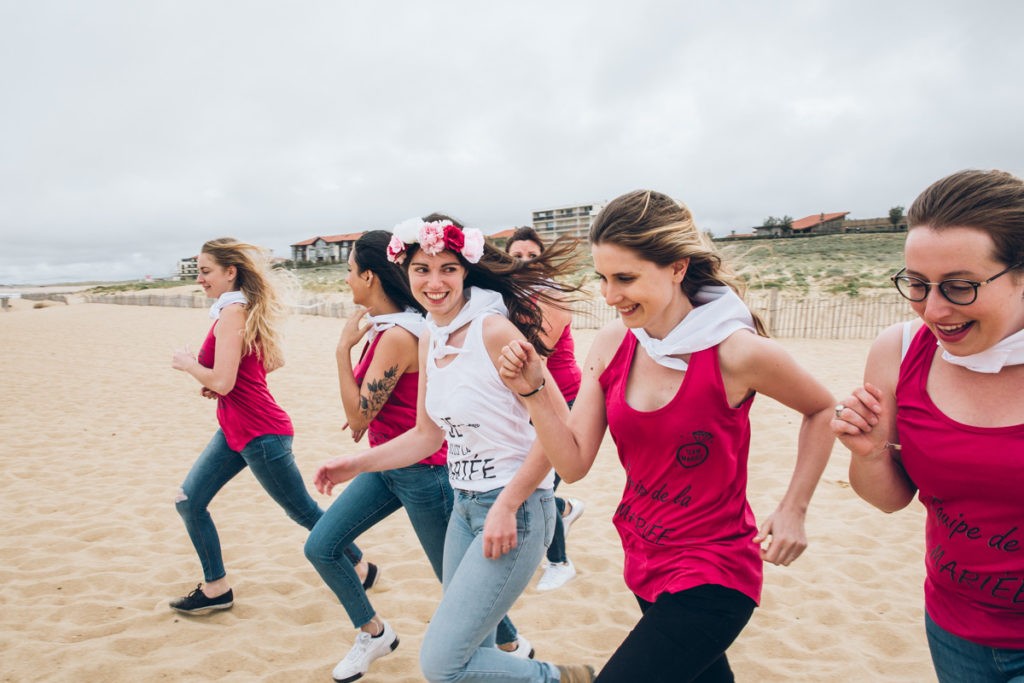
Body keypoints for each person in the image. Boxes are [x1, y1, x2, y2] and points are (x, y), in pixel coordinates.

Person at [498, 190, 836, 682]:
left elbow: (823, 407)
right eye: (603, 279)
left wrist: (793, 508)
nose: (610, 297)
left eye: (626, 278)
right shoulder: (614, 343)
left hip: (715, 571)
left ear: (677, 267)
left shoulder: (736, 351)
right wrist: (533, 392)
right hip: (643, 557)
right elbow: (572, 463)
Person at [314, 215, 596, 682]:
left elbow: (558, 431)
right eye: (422, 270)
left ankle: (565, 679)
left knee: (443, 664)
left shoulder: (494, 332)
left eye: (447, 268)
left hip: (515, 511)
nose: (435, 281)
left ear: (466, 270)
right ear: (405, 274)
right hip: (463, 508)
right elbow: (427, 436)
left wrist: (507, 504)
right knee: (473, 655)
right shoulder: (431, 337)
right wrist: (354, 463)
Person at [832, 169, 1024, 682]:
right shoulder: (898, 352)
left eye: (960, 287)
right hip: (952, 626)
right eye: (917, 284)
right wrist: (868, 453)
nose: (933, 310)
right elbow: (891, 498)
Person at [170, 238, 376, 614]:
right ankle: (216, 587)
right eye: (198, 271)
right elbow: (266, 363)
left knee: (301, 511)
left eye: (205, 271)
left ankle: (361, 565)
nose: (200, 278)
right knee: (189, 500)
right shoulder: (234, 310)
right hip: (236, 430)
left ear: (229, 273)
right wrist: (221, 379)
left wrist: (191, 365)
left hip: (262, 434)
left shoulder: (234, 311)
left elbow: (224, 382)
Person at [505, 226, 586, 591]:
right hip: (526, 397)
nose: (524, 263)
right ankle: (566, 510)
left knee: (539, 484)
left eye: (531, 256)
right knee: (536, 479)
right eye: (516, 256)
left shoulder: (553, 297)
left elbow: (534, 352)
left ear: (544, 261)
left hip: (561, 397)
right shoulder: (507, 296)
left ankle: (560, 562)